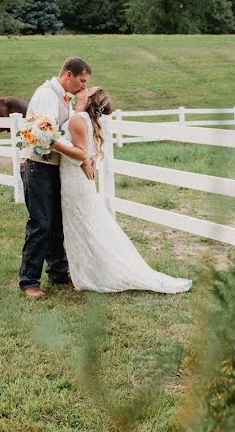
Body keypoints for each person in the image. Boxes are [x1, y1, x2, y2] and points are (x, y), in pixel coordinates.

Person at [51, 87, 192, 294]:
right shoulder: (82, 118)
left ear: (89, 100)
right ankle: (89, 270)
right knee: (85, 225)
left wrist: (52, 142)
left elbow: (81, 152)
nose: (84, 87)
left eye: (88, 89)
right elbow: (85, 153)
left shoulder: (77, 119)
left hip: (75, 181)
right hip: (77, 178)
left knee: (82, 225)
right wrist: (85, 159)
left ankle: (92, 274)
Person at [17, 57, 95, 300]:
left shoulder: (64, 99)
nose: (83, 87)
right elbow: (44, 135)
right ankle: (29, 280)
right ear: (68, 75)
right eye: (81, 81)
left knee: (56, 222)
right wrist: (80, 156)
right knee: (41, 222)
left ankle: (58, 272)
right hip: (37, 165)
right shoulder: (47, 95)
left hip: (52, 166)